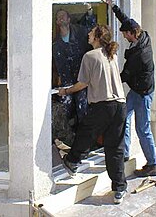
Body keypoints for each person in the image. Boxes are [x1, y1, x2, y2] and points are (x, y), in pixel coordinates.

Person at [58, 25, 127, 204]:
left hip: (104, 105)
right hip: (120, 105)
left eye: (91, 32)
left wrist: (65, 91)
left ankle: (73, 161)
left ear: (96, 37)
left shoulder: (89, 56)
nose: (88, 34)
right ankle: (119, 188)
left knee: (85, 133)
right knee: (115, 148)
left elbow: (82, 84)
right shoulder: (112, 54)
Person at [104, 0, 156, 177]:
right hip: (137, 90)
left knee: (142, 129)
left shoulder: (139, 55)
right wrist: (113, 6)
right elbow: (126, 20)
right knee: (124, 118)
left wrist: (107, 83)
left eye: (124, 34)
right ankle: (125, 153)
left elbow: (124, 76)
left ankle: (152, 165)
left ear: (132, 34)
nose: (123, 36)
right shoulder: (142, 36)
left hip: (143, 94)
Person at [52, 7, 96, 143]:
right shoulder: (55, 44)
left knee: (83, 111)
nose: (61, 18)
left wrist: (89, 11)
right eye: (58, 17)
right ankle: (68, 141)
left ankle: (86, 143)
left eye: (63, 16)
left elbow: (92, 28)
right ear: (56, 22)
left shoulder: (80, 33)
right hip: (65, 83)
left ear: (69, 19)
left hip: (81, 82)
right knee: (64, 113)